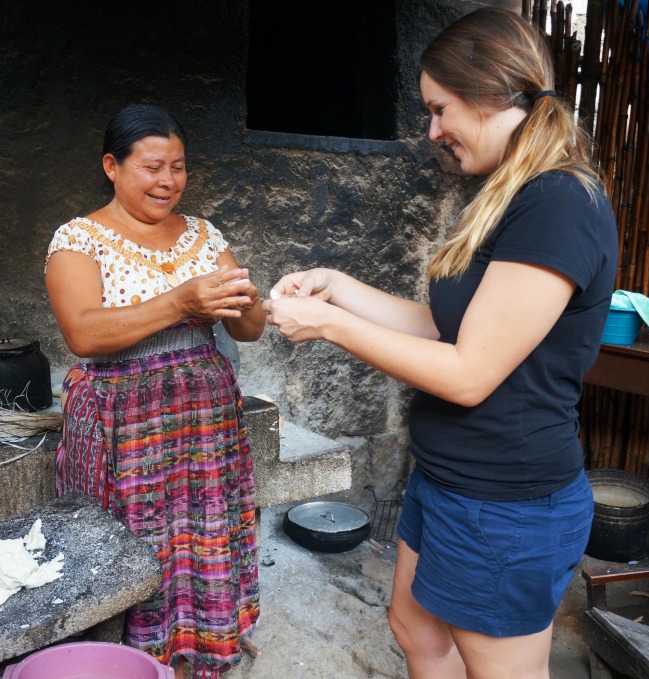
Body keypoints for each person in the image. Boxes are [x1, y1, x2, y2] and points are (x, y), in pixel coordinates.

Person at [264, 8, 617, 678]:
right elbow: (440, 327)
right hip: (453, 478)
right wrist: (336, 288)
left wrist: (329, 327)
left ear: (488, 95)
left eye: (439, 109)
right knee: (415, 627)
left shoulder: (559, 202)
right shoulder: (507, 195)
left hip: (505, 500)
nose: (432, 132)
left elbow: (468, 372)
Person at [45, 103, 266, 679]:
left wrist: (250, 301)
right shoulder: (78, 239)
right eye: (151, 167)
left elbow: (249, 327)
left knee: (205, 531)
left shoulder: (204, 235)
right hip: (126, 419)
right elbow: (83, 333)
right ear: (112, 167)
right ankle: (132, 661)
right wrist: (182, 302)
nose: (168, 181)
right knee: (139, 542)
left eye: (178, 167)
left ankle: (206, 650)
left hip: (204, 416)